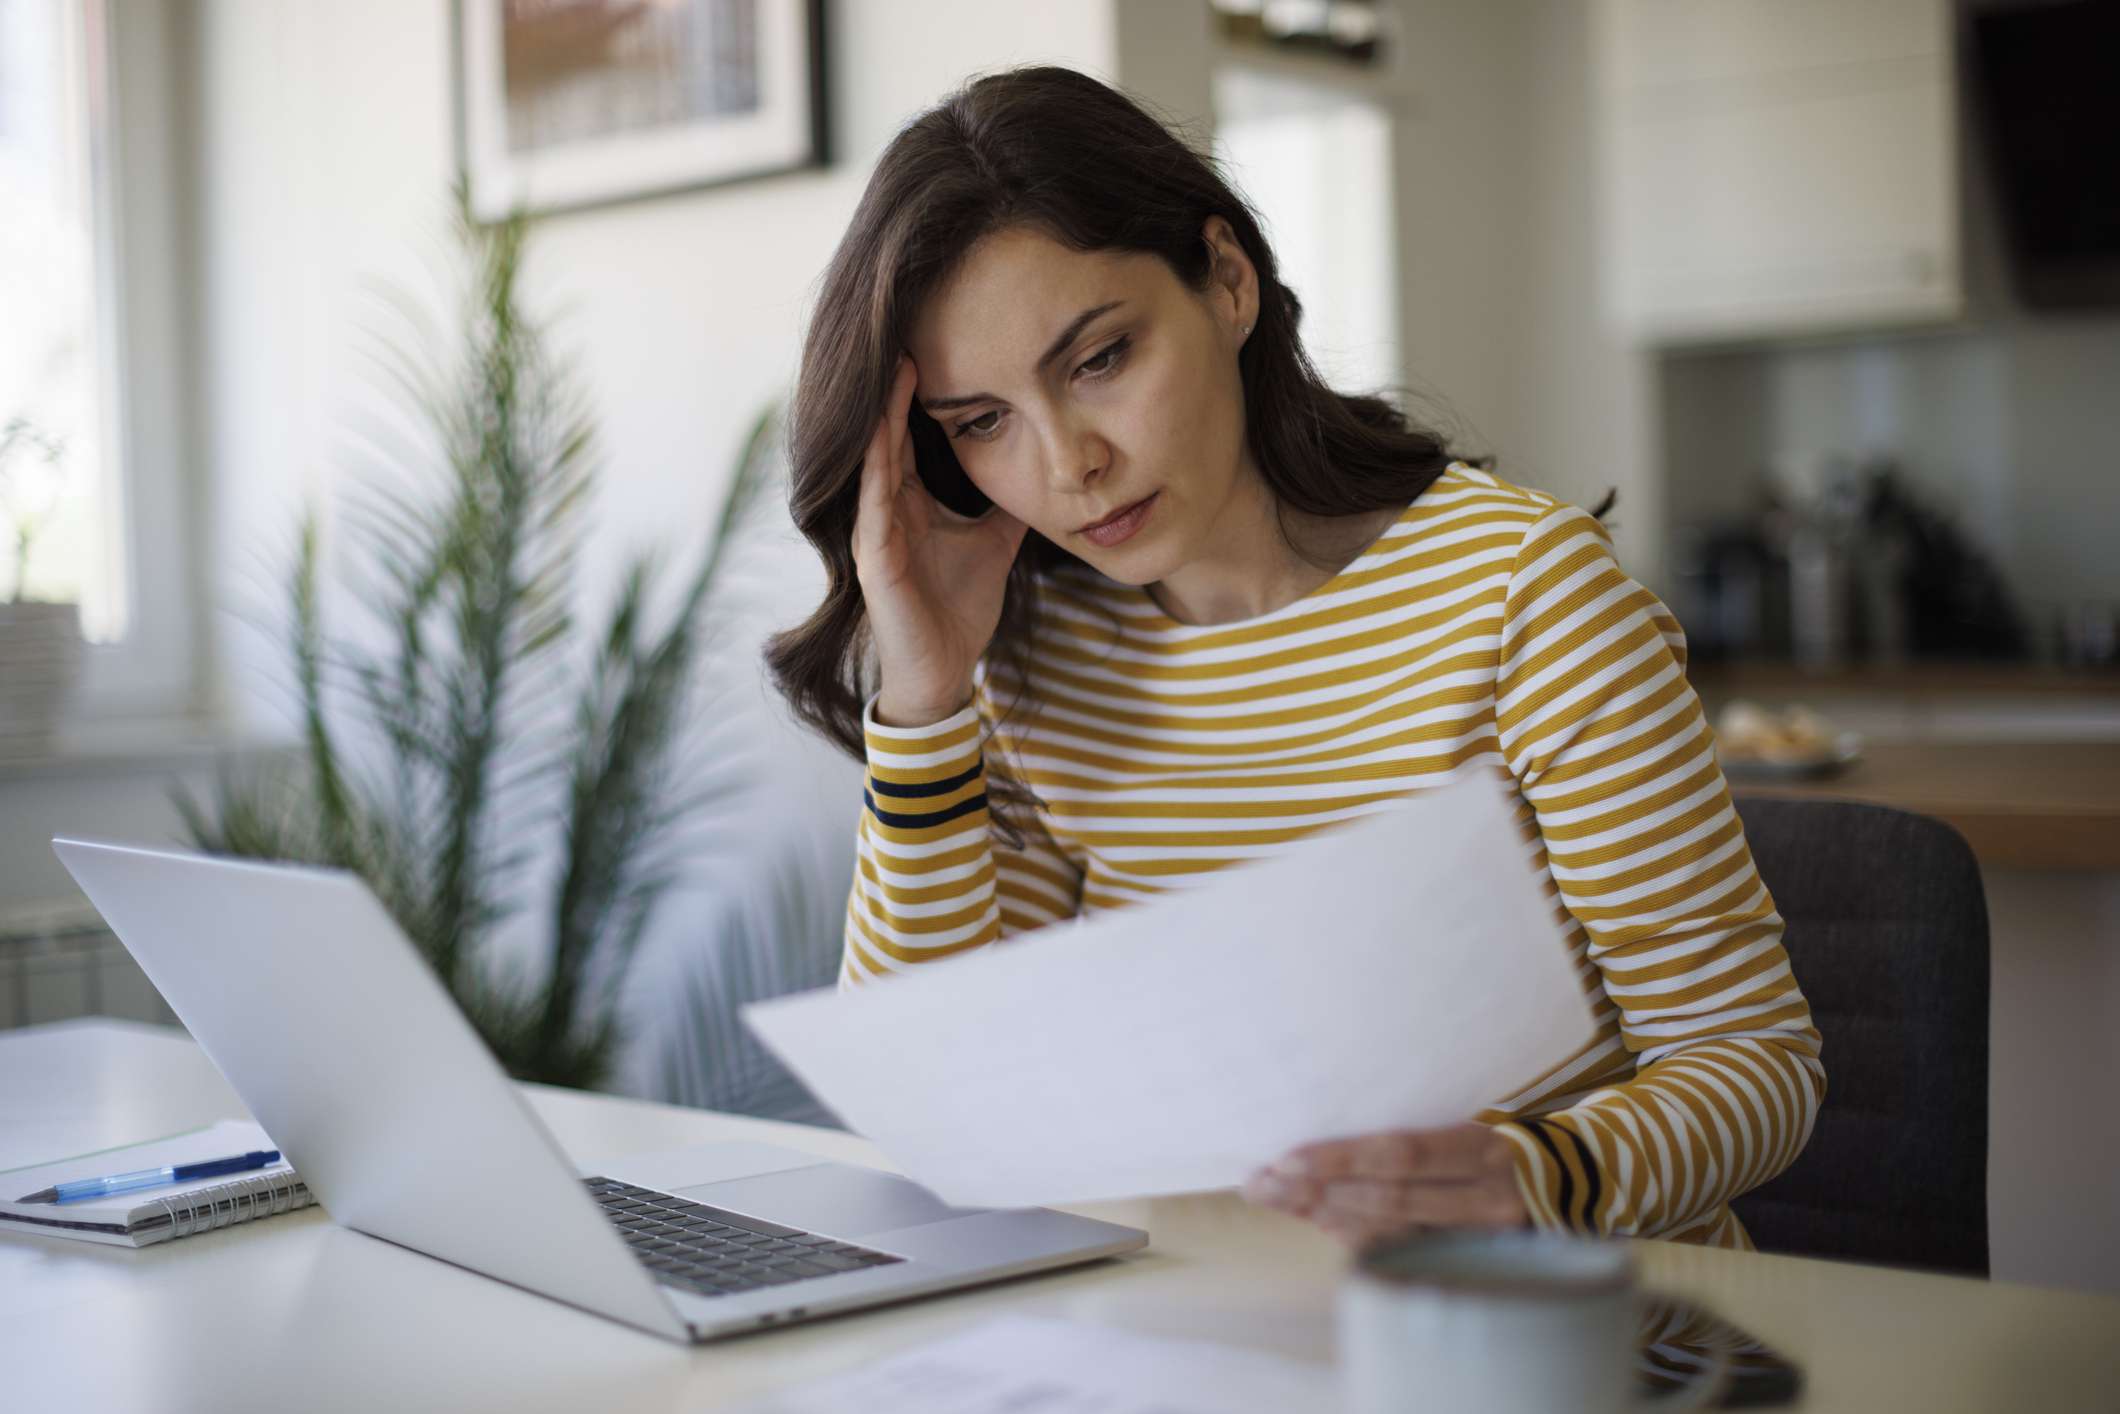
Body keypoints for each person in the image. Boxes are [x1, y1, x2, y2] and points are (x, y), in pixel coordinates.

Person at [766, 65, 1823, 1252]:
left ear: (1226, 281)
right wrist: (923, 695)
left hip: (1551, 1331)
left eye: (1099, 359)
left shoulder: (1525, 596)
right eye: (982, 422)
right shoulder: (1028, 660)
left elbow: (1753, 1065)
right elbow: (932, 1101)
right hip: (1206, 1331)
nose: (1069, 465)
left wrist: (1532, 1174)